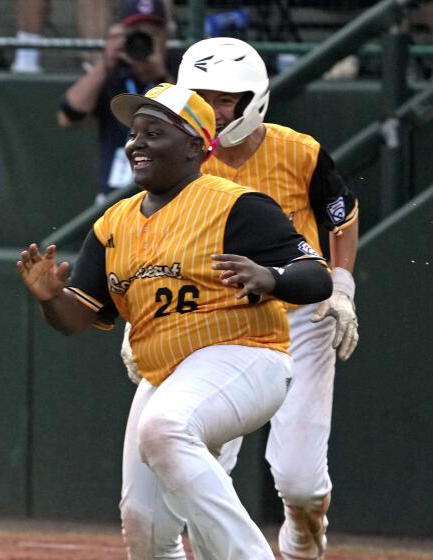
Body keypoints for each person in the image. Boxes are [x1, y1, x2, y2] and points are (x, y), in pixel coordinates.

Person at [17, 83, 333, 559]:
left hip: (246, 356)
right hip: (165, 374)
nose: (136, 142)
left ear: (195, 145)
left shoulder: (236, 205)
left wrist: (269, 277)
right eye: (133, 133)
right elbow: (76, 318)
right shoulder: (113, 224)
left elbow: (316, 277)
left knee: (163, 427)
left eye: (154, 132)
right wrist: (50, 298)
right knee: (143, 527)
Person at [119, 38, 360, 560]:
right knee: (199, 462)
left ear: (254, 99)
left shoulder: (300, 151)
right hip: (214, 320)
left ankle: (302, 537)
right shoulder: (178, 161)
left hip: (301, 314)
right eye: (200, 97)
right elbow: (151, 241)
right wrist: (137, 321)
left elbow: (341, 215)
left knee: (299, 482)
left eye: (225, 98)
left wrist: (342, 284)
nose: (214, 109)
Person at [57, 0, 172, 204]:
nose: (143, 39)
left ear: (165, 36)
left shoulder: (176, 69)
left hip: (166, 192)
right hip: (113, 194)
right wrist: (105, 64)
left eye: (152, 33)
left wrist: (160, 75)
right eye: (136, 32)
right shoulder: (113, 74)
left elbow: (193, 120)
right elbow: (67, 116)